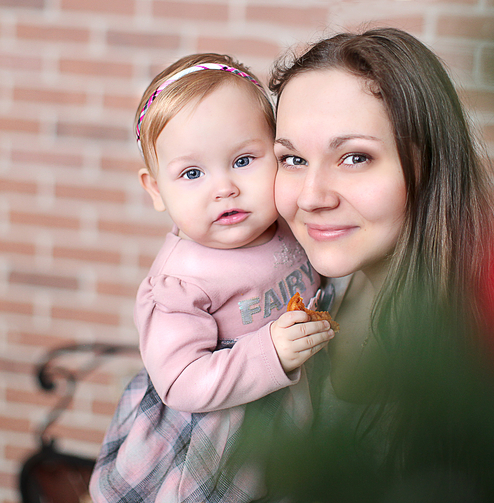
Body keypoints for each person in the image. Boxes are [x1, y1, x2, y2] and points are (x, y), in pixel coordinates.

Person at [254, 27, 494, 501]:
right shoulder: (308, 293)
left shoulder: (490, 364)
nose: (311, 197)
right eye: (292, 159)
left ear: (428, 164)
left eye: (354, 157)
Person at [89, 53, 334, 503]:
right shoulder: (180, 282)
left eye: (243, 160)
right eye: (192, 173)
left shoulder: (289, 223)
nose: (224, 188)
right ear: (156, 189)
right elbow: (180, 382)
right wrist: (270, 353)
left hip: (294, 409)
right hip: (218, 437)